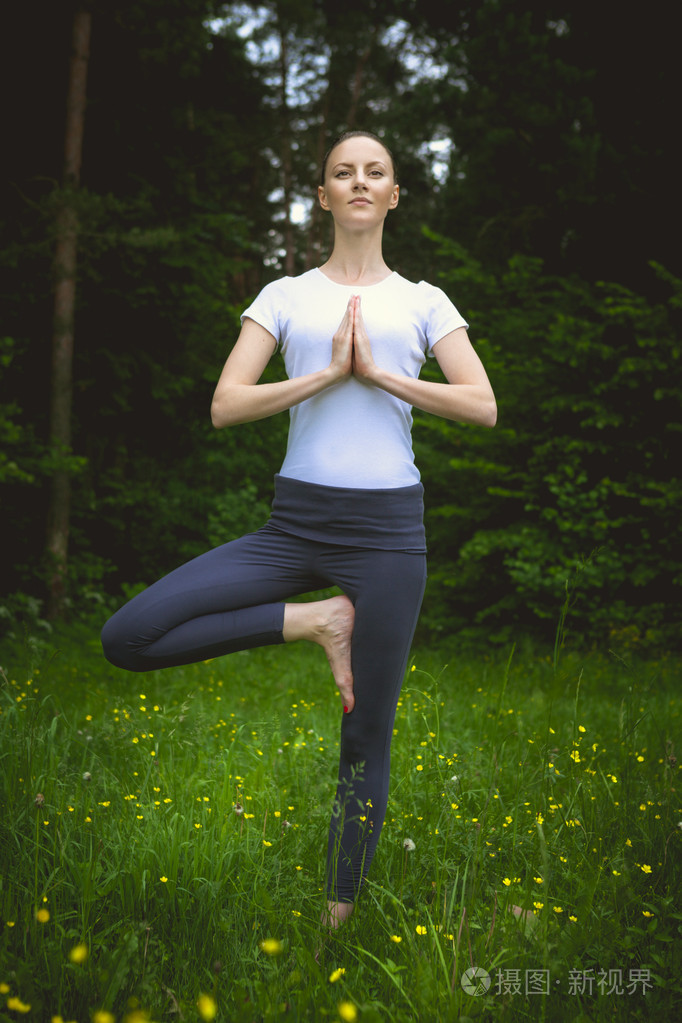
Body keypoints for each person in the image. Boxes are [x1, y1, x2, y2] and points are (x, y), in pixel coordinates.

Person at [101, 130, 497, 929]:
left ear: (394, 195)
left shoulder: (424, 301)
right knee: (129, 636)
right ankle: (317, 621)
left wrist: (381, 373)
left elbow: (482, 404)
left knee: (366, 738)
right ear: (323, 196)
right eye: (342, 172)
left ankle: (336, 924)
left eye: (375, 172)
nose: (358, 181)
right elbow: (226, 403)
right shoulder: (284, 296)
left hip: (388, 536)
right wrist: (322, 375)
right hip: (295, 525)